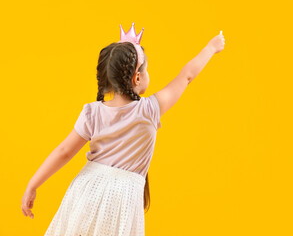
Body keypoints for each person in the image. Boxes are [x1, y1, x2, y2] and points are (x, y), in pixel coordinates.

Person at [21, 22, 225, 235]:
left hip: (86, 189)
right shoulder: (149, 110)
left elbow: (64, 151)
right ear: (137, 77)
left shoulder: (92, 112)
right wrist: (211, 47)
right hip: (122, 200)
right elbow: (186, 76)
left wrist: (33, 185)